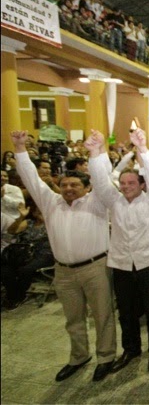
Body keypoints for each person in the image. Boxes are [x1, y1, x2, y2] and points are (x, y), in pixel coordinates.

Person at [11, 130, 116, 383]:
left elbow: (104, 179)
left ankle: (105, 357)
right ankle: (79, 356)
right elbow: (32, 180)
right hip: (64, 271)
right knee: (73, 318)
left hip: (96, 267)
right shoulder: (51, 203)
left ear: (87, 187)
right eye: (65, 185)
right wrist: (20, 149)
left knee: (102, 314)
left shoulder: (96, 202)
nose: (68, 189)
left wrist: (95, 153)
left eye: (75, 185)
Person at [86, 126, 149, 374]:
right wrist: (96, 153)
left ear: (141, 185)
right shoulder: (114, 201)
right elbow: (101, 182)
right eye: (122, 183)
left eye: (132, 182)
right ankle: (131, 349)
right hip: (122, 264)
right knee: (126, 312)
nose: (126, 186)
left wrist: (142, 148)